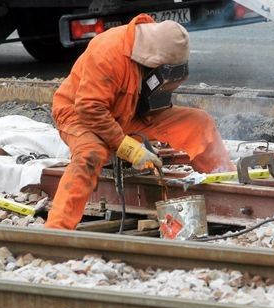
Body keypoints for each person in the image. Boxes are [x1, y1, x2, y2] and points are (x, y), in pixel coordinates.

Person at [45, 14, 234, 230]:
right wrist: (127, 147)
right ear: (152, 57)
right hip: (79, 116)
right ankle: (57, 229)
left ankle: (225, 182)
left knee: (199, 122)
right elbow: (90, 108)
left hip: (127, 112)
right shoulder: (107, 52)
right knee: (91, 153)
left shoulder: (156, 42)